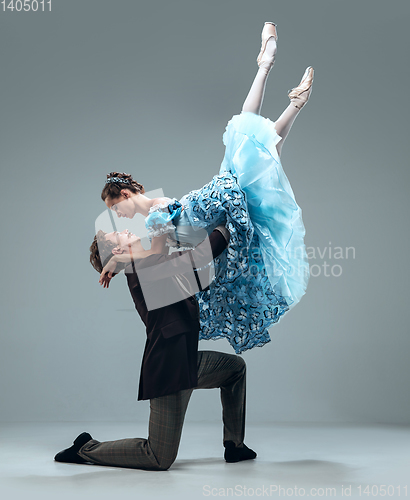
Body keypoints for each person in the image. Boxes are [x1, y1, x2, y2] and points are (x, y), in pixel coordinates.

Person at [98, 22, 314, 354]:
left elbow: (155, 253)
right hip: (214, 205)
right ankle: (292, 101)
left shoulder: (154, 214)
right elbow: (154, 254)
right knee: (260, 157)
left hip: (214, 205)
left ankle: (267, 68)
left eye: (116, 209)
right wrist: (121, 259)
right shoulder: (156, 208)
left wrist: (117, 261)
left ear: (124, 195)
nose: (119, 216)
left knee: (246, 138)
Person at [54, 225, 257, 470]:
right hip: (169, 372)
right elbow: (198, 258)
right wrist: (226, 226)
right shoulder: (144, 268)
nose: (125, 229)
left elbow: (195, 277)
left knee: (235, 369)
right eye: (116, 234)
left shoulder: (149, 264)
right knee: (159, 457)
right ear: (118, 249)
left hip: (187, 363)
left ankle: (235, 446)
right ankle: (85, 449)